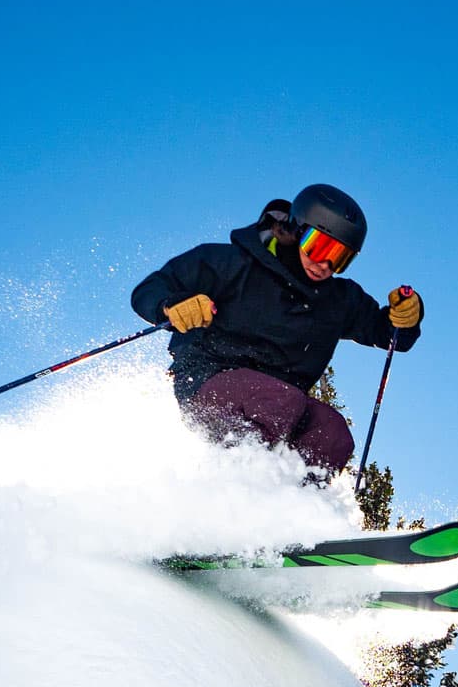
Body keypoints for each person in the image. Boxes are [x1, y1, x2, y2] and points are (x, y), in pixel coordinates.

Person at [130, 184, 423, 473]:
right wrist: (171, 306)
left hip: (281, 410)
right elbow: (149, 289)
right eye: (318, 246)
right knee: (280, 400)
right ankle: (239, 486)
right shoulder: (233, 263)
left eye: (339, 257)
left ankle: (299, 506)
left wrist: (405, 317)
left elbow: (391, 335)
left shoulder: (339, 300)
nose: (324, 264)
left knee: (332, 433)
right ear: (296, 230)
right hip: (210, 383)